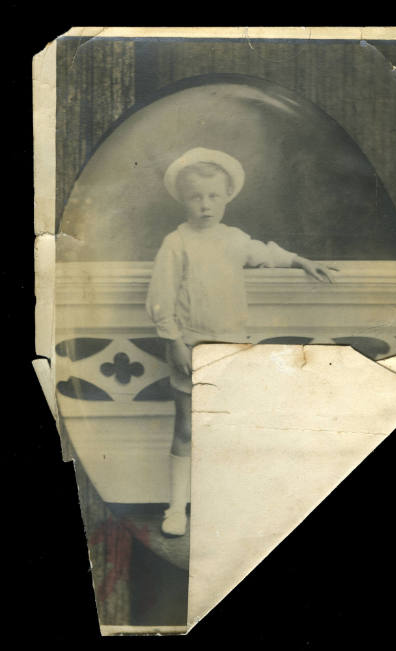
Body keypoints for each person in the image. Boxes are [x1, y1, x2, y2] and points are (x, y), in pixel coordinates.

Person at [147, 147, 333, 536]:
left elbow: (265, 254)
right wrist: (174, 341)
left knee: (227, 425)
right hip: (192, 345)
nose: (205, 205)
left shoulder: (234, 239)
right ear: (184, 199)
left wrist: (299, 261)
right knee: (186, 428)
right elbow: (161, 296)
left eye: (214, 196)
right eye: (196, 196)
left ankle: (224, 504)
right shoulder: (176, 242)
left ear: (227, 197)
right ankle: (176, 508)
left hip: (232, 346)